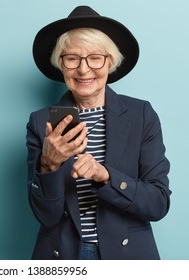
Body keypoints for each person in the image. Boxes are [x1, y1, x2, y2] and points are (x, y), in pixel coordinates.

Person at [26, 5, 171, 260]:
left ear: (110, 62)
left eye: (95, 57)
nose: (83, 70)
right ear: (61, 64)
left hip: (127, 256)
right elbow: (45, 216)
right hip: (63, 255)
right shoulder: (40, 123)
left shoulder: (141, 115)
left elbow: (158, 204)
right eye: (72, 58)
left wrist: (104, 175)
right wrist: (48, 164)